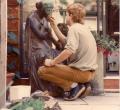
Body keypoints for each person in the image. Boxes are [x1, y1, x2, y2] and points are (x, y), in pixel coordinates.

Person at [38, 3, 98, 101]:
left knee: (42, 71)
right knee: (59, 67)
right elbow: (66, 41)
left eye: (66, 14)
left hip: (81, 73)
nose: (65, 17)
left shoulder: (74, 29)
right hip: (89, 73)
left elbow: (69, 50)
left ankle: (73, 86)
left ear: (70, 15)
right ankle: (79, 86)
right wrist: (54, 26)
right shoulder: (82, 29)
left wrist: (52, 62)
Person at [25, 1, 62, 92]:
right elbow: (41, 35)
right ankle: (42, 88)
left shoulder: (45, 18)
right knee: (45, 56)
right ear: (41, 9)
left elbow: (49, 34)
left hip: (45, 46)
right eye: (48, 9)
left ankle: (55, 87)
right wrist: (47, 26)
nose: (50, 11)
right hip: (35, 47)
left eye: (51, 9)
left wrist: (56, 43)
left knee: (59, 55)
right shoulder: (32, 18)